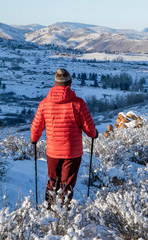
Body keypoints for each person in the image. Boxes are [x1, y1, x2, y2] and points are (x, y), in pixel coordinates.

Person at [31, 68, 98, 207]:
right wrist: (94, 134)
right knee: (67, 185)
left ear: (55, 83)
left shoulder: (44, 103)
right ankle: (64, 214)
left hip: (53, 152)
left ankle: (48, 211)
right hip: (72, 152)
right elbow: (88, 127)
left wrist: (34, 139)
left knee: (52, 182)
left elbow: (36, 126)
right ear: (69, 83)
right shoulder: (78, 103)